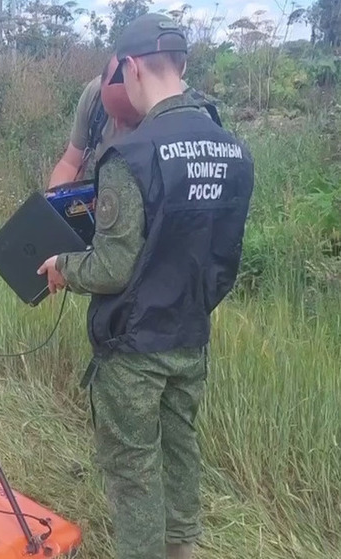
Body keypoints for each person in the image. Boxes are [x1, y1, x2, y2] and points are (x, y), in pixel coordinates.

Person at [37, 12, 255, 559]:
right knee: (181, 450)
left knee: (133, 472)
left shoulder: (130, 156)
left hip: (133, 349)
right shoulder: (234, 151)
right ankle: (182, 549)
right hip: (190, 337)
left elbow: (112, 267)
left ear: (130, 68)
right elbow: (224, 260)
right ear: (181, 66)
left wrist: (63, 266)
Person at [47, 55, 222, 190]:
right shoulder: (95, 95)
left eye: (128, 120)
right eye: (111, 114)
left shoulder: (190, 120)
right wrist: (54, 205)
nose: (117, 126)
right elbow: (70, 163)